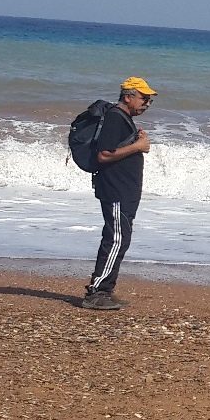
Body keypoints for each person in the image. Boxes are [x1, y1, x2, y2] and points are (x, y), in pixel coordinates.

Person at [82, 77, 156, 311]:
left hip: (124, 190)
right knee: (116, 239)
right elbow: (104, 155)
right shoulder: (115, 117)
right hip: (116, 190)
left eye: (149, 100)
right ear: (128, 96)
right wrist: (138, 146)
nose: (146, 104)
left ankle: (105, 289)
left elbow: (116, 148)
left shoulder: (123, 119)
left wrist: (135, 140)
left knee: (119, 238)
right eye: (144, 98)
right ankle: (97, 292)